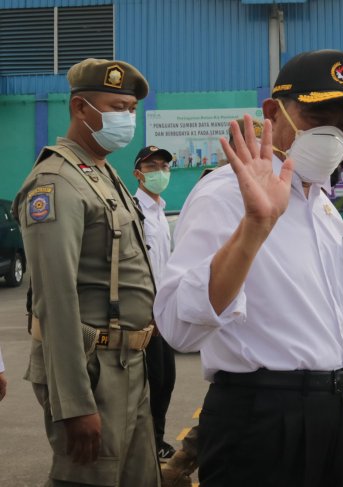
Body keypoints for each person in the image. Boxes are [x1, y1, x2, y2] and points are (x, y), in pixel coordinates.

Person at [154, 50, 343, 487]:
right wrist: (255, 228)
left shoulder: (326, 212)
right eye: (319, 115)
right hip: (259, 421)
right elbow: (178, 329)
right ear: (274, 112)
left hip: (335, 419)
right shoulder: (224, 195)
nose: (335, 134)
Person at [12, 58, 159, 486]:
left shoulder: (101, 171)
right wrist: (75, 404)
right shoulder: (56, 182)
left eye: (132, 109)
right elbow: (55, 301)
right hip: (95, 372)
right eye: (117, 107)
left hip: (130, 361)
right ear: (81, 109)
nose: (127, 118)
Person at [133, 145, 178, 461]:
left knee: (166, 379)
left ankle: (154, 439)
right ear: (138, 173)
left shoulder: (160, 212)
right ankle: (145, 443)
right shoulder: (134, 210)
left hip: (163, 311)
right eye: (152, 167)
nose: (160, 172)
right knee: (149, 381)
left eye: (164, 166)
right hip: (144, 313)